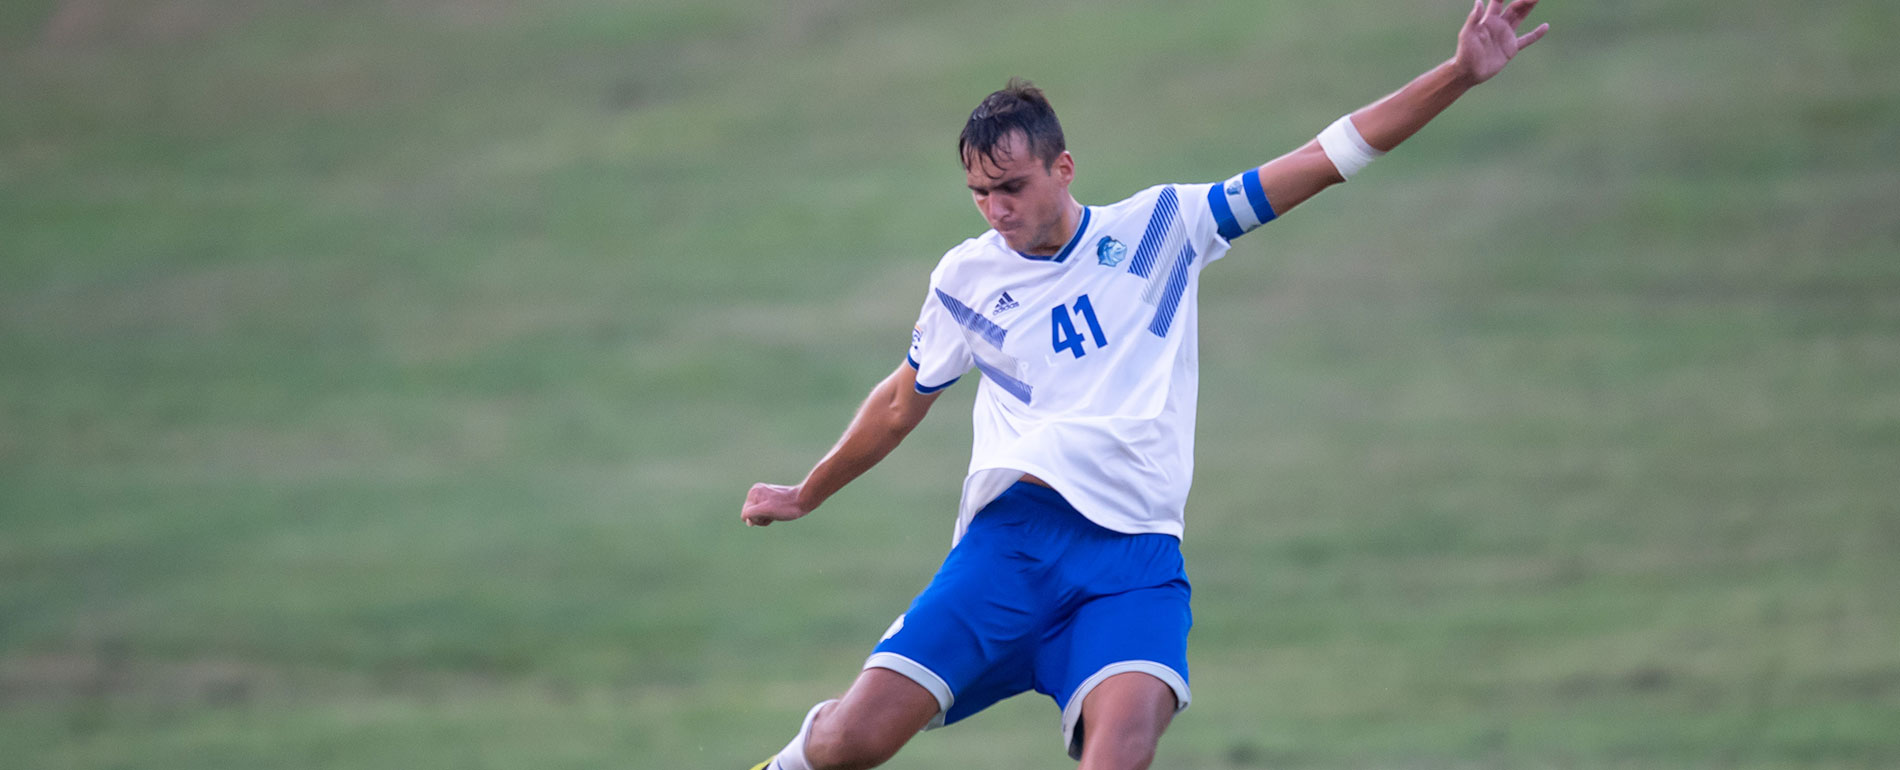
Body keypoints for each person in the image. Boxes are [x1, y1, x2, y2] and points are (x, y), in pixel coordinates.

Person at [740, 2, 1549, 768]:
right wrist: (808, 491)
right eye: (979, 193)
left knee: (1122, 754)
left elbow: (1326, 157)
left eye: (1011, 187)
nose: (994, 208)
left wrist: (1457, 76)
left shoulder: (1164, 227)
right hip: (1012, 546)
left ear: (1063, 168)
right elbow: (898, 403)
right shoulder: (966, 279)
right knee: (856, 743)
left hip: (1134, 563)